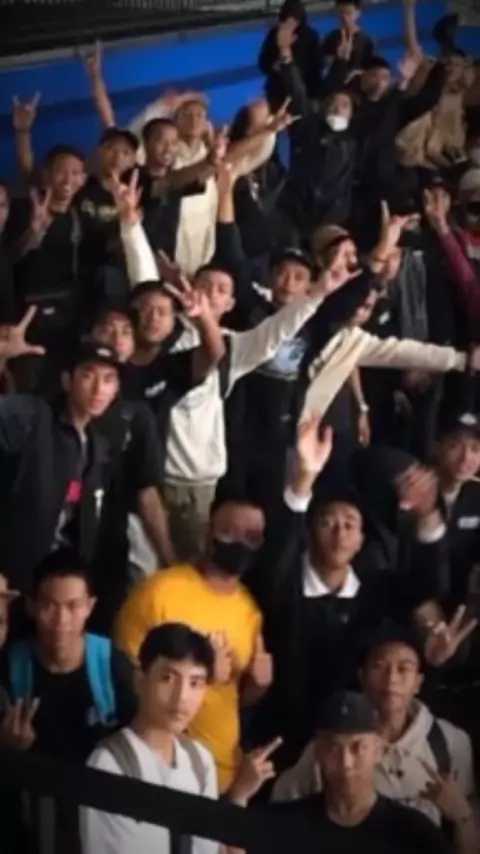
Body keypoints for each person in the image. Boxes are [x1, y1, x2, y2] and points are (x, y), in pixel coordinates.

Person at [115, 498, 272, 792]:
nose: (239, 543)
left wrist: (258, 685)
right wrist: (204, 673)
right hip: (164, 773)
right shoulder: (159, 592)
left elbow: (235, 697)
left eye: (251, 537)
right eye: (228, 532)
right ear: (208, 532)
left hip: (226, 775)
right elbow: (125, 677)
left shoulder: (249, 610)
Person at [272, 626, 478, 851]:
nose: (391, 679)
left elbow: (470, 838)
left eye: (403, 669)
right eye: (379, 667)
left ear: (418, 682)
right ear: (362, 677)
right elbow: (282, 814)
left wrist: (463, 817)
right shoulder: (332, 746)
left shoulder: (450, 743)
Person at [266, 691, 451, 854]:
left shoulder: (413, 832)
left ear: (378, 750)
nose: (346, 762)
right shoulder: (286, 826)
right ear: (318, 751)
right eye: (334, 748)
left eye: (358, 747)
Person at [1, 549, 136, 762]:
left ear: (90, 607)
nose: (61, 620)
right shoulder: (10, 666)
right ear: (31, 606)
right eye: (49, 605)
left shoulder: (112, 667)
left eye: (73, 606)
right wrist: (8, 748)